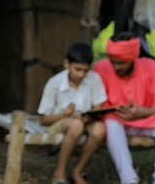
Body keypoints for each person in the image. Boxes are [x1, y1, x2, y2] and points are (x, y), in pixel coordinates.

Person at [93, 32, 155, 184]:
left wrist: (141, 112)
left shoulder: (151, 67)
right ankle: (129, 179)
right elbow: (96, 103)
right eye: (113, 62)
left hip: (147, 119)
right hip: (117, 122)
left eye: (121, 63)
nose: (116, 67)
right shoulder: (101, 68)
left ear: (133, 59)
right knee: (111, 123)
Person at [37, 42, 107, 184]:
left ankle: (77, 171)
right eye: (77, 69)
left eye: (85, 71)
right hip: (59, 121)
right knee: (76, 125)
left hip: (84, 121)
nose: (81, 75)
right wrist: (65, 114)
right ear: (66, 64)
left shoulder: (94, 79)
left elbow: (97, 109)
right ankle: (59, 173)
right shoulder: (54, 83)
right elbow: (43, 120)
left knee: (99, 129)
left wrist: (90, 117)